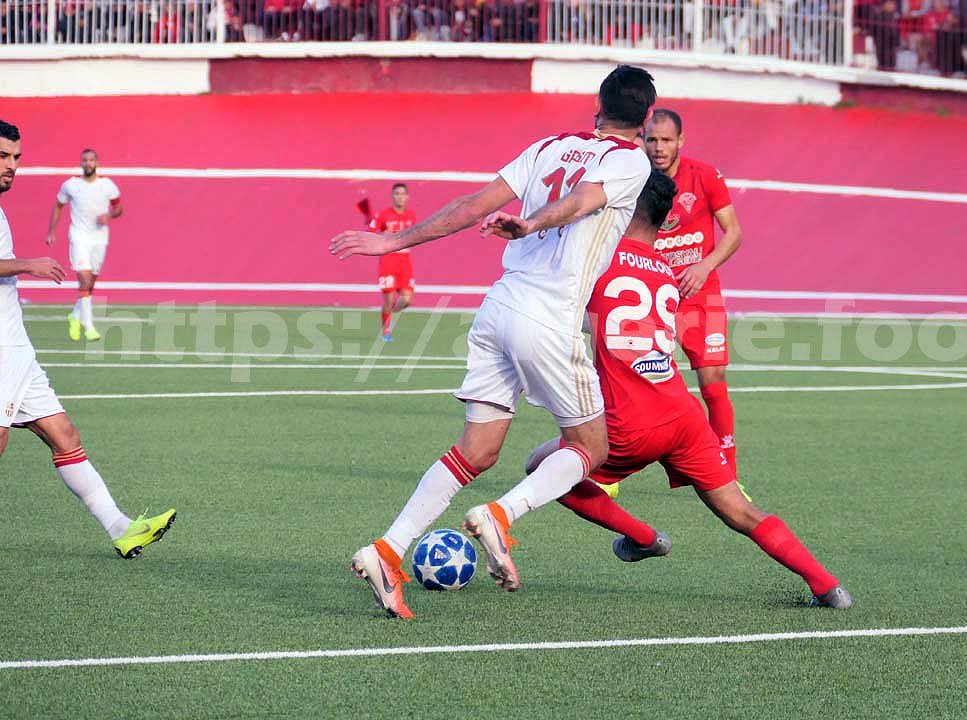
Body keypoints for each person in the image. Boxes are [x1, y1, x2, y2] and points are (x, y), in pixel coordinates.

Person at [329, 65, 656, 618]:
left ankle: (388, 550)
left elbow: (473, 205)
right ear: (645, 118)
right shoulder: (631, 160)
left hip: (498, 306)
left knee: (476, 451)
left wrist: (394, 241)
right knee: (590, 447)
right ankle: (500, 515)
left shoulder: (549, 146)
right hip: (547, 316)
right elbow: (583, 200)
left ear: (597, 106)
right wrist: (531, 225)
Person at [522, 169, 852, 608]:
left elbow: (571, 317)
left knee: (542, 468)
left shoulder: (598, 260)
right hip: (682, 415)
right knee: (740, 511)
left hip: (627, 423)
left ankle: (644, 538)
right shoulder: (665, 271)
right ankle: (827, 586)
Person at [0, 120, 175, 558]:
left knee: (66, 436)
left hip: (16, 348)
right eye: (3, 156)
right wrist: (27, 264)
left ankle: (121, 527)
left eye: (16, 157)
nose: (12, 165)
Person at [644, 109, 746, 492]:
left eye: (666, 140)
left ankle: (729, 475)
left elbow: (734, 233)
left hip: (701, 295)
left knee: (714, 384)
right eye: (652, 140)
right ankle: (611, 473)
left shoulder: (704, 176)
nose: (658, 148)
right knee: (648, 388)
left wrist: (704, 266)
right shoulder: (634, 179)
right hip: (654, 298)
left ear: (680, 141)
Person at [46, 148, 122, 343]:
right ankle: (88, 326)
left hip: (100, 239)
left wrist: (109, 215)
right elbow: (58, 205)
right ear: (81, 163)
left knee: (89, 285)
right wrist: (51, 231)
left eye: (91, 160)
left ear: (97, 163)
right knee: (85, 281)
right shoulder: (71, 185)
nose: (88, 163)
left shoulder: (107, 185)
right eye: (85, 160)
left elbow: (119, 208)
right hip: (79, 236)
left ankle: (75, 316)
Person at [359, 183, 417, 341]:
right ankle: (386, 330)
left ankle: (390, 314)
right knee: (389, 299)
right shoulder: (383, 215)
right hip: (388, 260)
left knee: (407, 300)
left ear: (407, 197)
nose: (400, 197)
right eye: (397, 194)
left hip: (405, 261)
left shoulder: (411, 216)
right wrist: (383, 236)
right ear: (392, 196)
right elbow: (370, 232)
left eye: (402, 194)